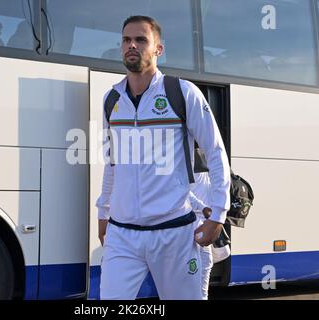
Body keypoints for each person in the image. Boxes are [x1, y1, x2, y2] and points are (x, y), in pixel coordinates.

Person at [96, 15, 230, 300]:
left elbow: (216, 152)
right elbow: (112, 163)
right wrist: (103, 211)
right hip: (122, 236)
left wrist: (218, 214)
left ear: (158, 49)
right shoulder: (112, 99)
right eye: (126, 40)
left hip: (174, 234)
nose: (131, 45)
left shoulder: (182, 92)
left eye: (141, 40)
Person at [189, 170, 214, 300]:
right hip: (191, 222)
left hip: (204, 222)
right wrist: (202, 207)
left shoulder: (206, 165)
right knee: (193, 265)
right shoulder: (186, 160)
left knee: (206, 262)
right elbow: (181, 190)